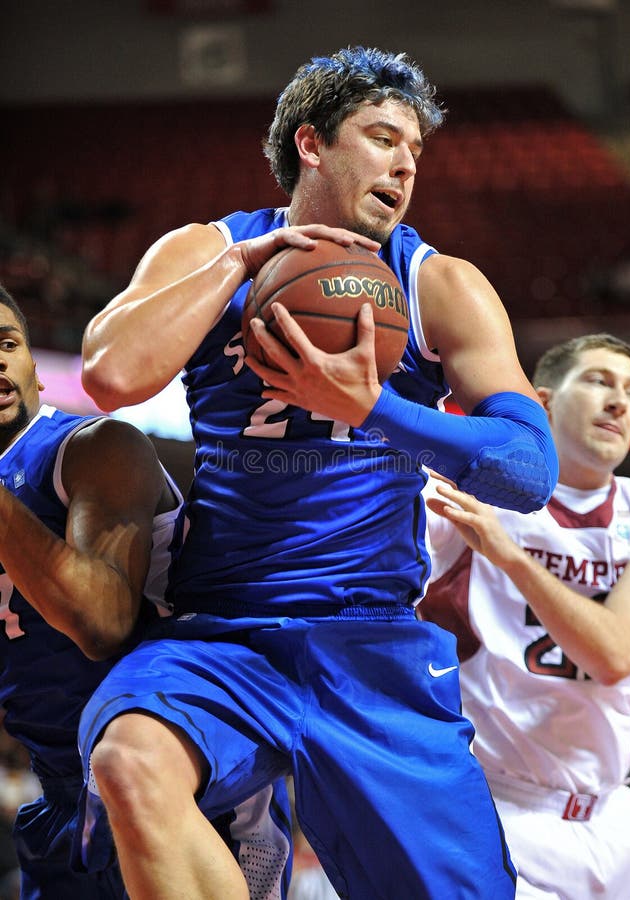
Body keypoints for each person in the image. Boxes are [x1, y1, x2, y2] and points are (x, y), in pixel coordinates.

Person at [77, 46, 560, 900]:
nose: (404, 166)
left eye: (414, 151)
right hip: (222, 634)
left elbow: (527, 473)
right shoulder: (206, 249)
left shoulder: (437, 284)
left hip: (369, 641)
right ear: (311, 143)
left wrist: (372, 408)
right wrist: (239, 267)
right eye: (381, 139)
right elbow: (111, 378)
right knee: (128, 758)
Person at [0, 285, 292, 900]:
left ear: (35, 370)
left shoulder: (94, 447)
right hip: (59, 794)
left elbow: (101, 623)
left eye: (8, 344)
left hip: (178, 780)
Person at [419, 333, 630, 899]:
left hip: (618, 817)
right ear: (543, 402)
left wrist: (511, 556)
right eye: (598, 381)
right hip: (505, 809)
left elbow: (616, 654)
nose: (619, 402)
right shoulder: (475, 496)